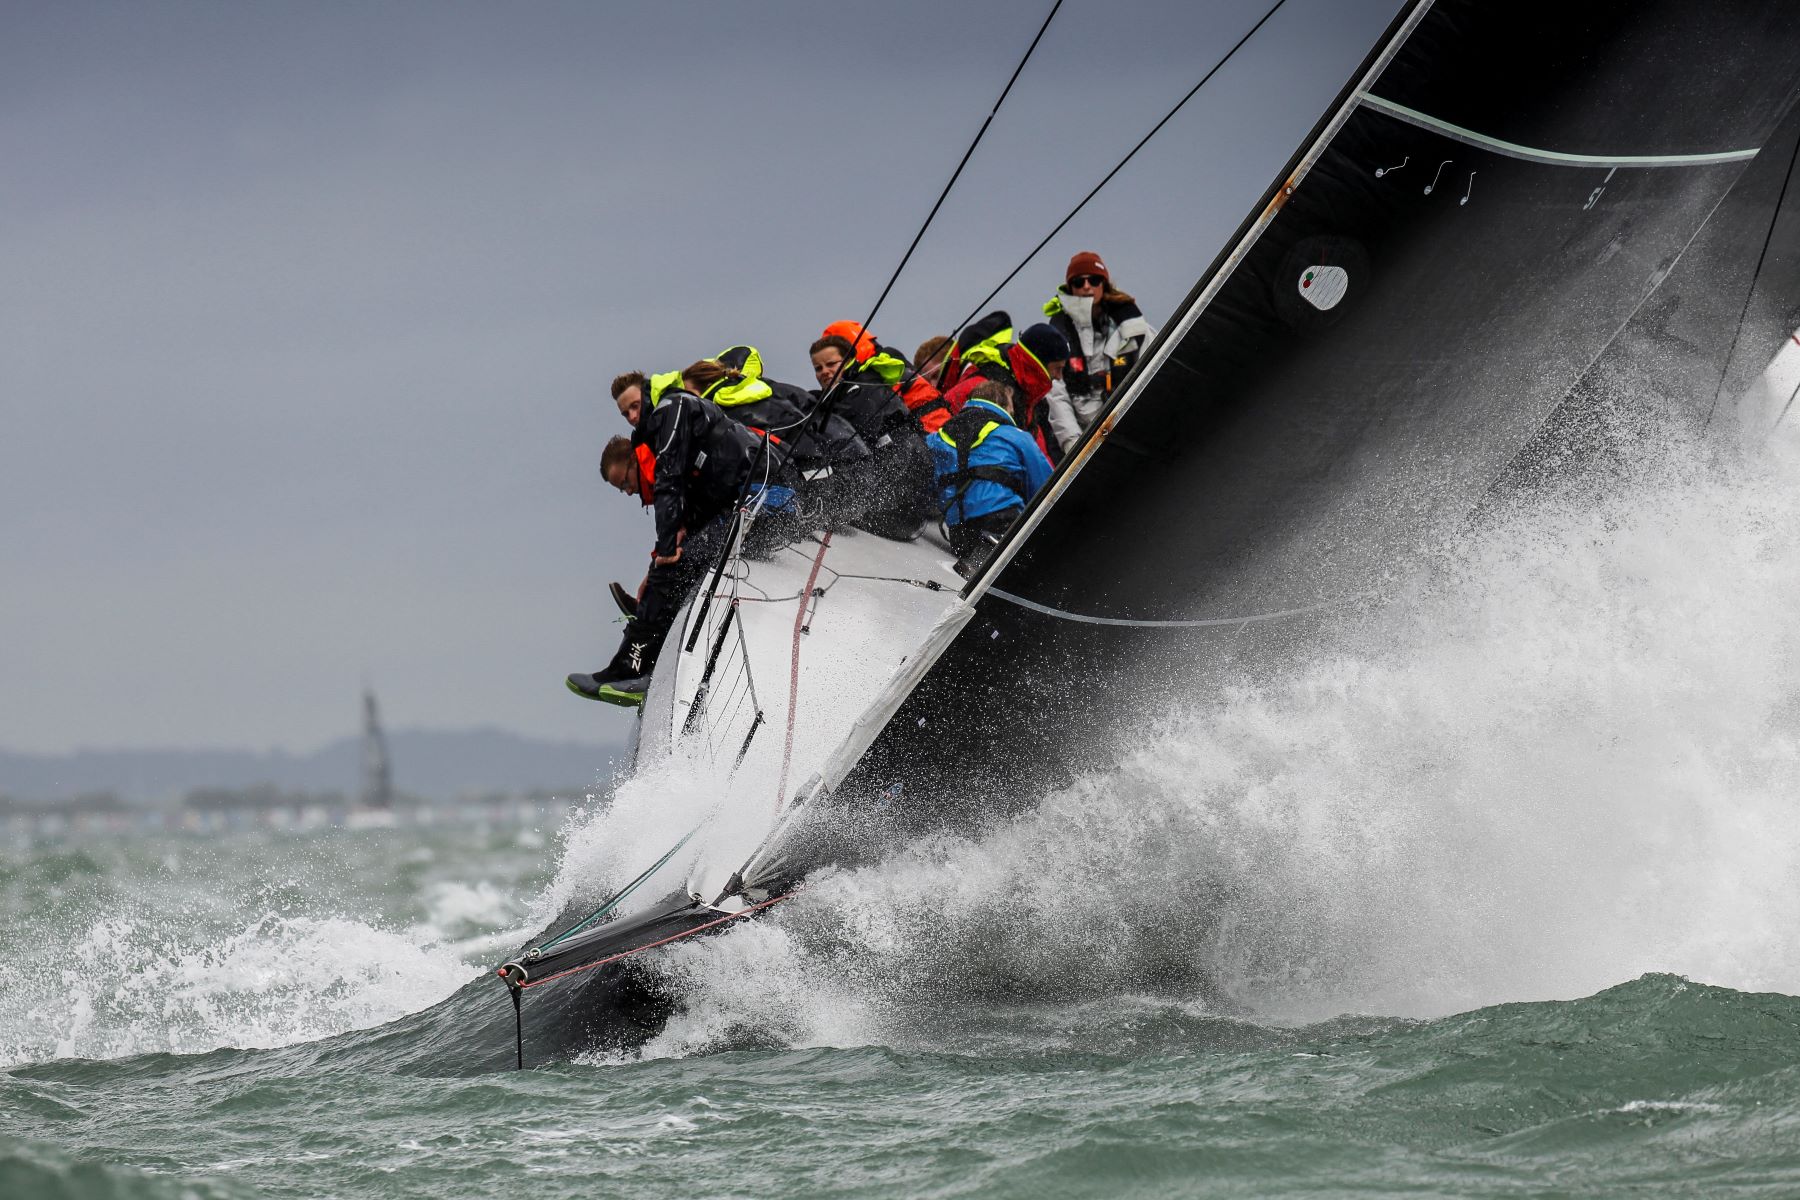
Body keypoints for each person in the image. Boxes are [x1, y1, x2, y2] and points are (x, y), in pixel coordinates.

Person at [567, 373, 790, 705]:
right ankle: (643, 655)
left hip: (774, 502)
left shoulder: (672, 411)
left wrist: (667, 556)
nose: (628, 492)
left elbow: (669, 481)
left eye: (624, 482)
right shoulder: (664, 427)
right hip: (755, 502)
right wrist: (657, 564)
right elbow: (692, 509)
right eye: (624, 413)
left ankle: (632, 667)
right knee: (671, 565)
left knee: (676, 566)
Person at [809, 334, 938, 539]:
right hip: (910, 515)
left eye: (831, 364)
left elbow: (847, 443)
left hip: (892, 512)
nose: (825, 372)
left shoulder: (861, 393)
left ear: (849, 361)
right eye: (818, 368)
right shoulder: (862, 388)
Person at [925, 380, 1054, 574]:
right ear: (1003, 406)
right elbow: (1048, 490)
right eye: (1011, 408)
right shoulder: (1017, 436)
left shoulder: (939, 436)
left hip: (960, 537)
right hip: (1003, 527)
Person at [1041, 251, 1156, 454]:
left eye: (1094, 280)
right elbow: (1057, 396)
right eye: (1079, 282)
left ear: (1103, 284)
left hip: (1135, 422)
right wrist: (1074, 449)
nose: (1087, 286)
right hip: (1089, 440)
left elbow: (1156, 362)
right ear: (1071, 288)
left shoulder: (1132, 324)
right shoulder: (1059, 335)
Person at [938, 312, 1062, 463]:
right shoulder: (980, 386)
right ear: (1039, 364)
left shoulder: (1029, 398)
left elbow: (1040, 459)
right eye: (1057, 368)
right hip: (981, 481)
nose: (1059, 376)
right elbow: (940, 438)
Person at [818, 320, 951, 433]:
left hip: (931, 442)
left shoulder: (874, 377)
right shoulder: (890, 364)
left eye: (831, 362)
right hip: (941, 437)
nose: (827, 370)